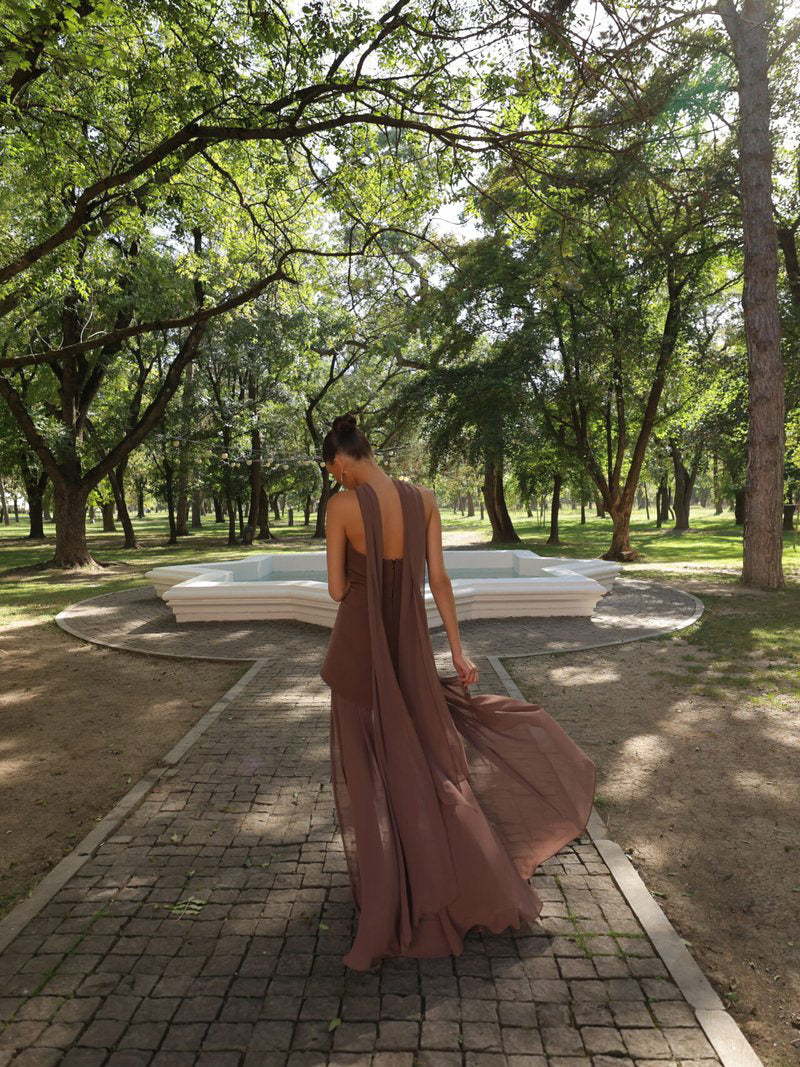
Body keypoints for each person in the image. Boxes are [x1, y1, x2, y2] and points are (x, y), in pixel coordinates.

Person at [319, 412, 597, 972]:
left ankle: (394, 885)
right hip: (410, 651)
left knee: (372, 768)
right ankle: (466, 871)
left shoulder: (340, 507)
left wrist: (361, 573)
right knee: (425, 760)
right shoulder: (424, 499)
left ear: (343, 460)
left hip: (359, 652)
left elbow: (333, 590)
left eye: (333, 470)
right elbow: (439, 581)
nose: (337, 480)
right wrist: (459, 650)